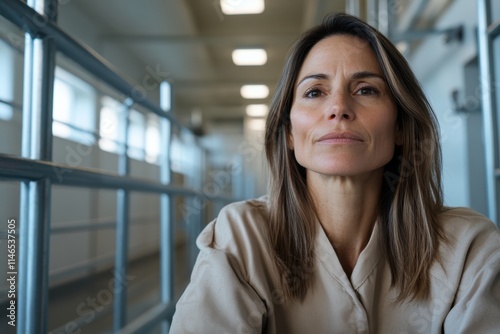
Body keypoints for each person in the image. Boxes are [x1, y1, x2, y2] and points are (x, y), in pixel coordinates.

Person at [170, 13, 500, 333]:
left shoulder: (470, 249)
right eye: (315, 92)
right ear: (288, 132)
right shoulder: (240, 240)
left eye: (366, 89)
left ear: (400, 126)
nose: (338, 107)